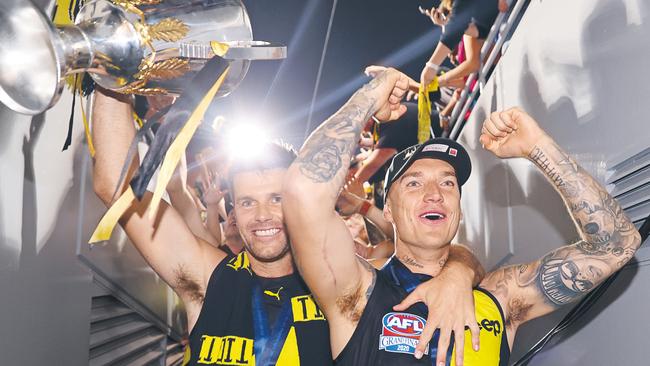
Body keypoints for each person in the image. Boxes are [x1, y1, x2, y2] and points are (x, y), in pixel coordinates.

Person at [92, 81, 484, 365]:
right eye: (248, 202)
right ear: (233, 209)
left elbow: (427, 251)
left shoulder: (343, 281)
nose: (262, 216)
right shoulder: (209, 277)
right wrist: (113, 74)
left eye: (277, 199)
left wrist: (457, 273)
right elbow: (115, 185)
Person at [283, 69, 642, 365]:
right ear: (387, 209)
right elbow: (303, 193)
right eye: (414, 182)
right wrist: (370, 96)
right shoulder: (358, 292)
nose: (434, 193)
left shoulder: (499, 297)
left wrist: (539, 148)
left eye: (447, 182)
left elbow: (618, 245)